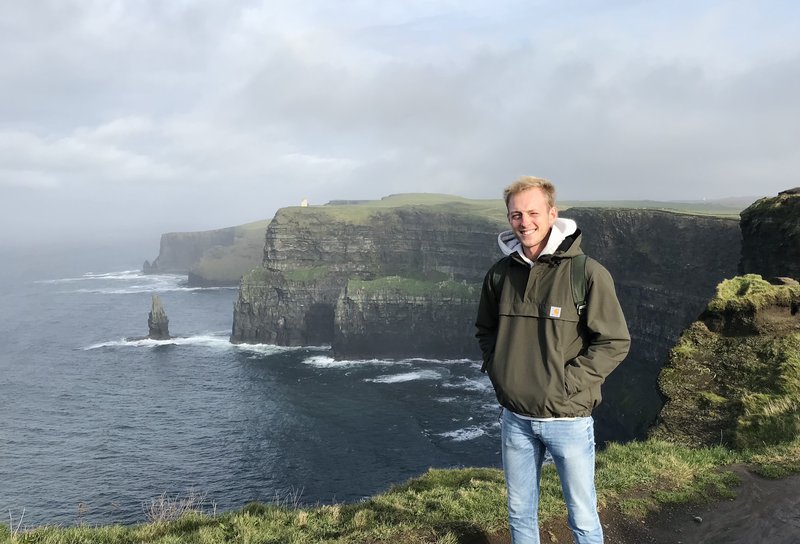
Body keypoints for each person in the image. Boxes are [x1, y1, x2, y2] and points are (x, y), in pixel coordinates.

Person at [475, 176, 630, 544]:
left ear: (552, 213)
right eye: (516, 214)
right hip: (515, 418)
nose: (524, 222)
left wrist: (566, 385)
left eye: (532, 212)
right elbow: (486, 331)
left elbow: (614, 341)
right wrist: (501, 373)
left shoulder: (587, 273)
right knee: (519, 513)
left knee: (582, 515)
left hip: (568, 419)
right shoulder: (500, 274)